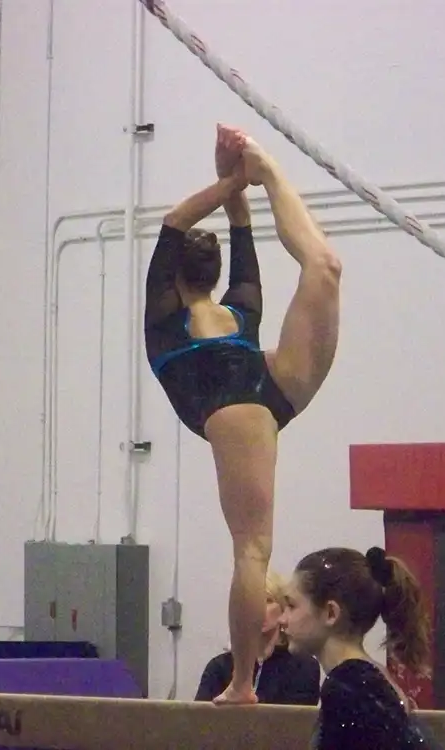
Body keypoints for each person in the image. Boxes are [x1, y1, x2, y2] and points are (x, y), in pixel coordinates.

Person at [144, 124, 342, 705]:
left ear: (173, 276)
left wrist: (236, 179)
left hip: (255, 393)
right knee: (253, 548)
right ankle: (241, 683)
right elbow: (202, 224)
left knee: (325, 267)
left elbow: (197, 224)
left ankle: (274, 171)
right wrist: (233, 178)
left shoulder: (197, 314)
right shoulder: (206, 313)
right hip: (233, 404)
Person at [280, 546, 443, 750]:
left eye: (291, 606)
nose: (282, 619)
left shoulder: (348, 687)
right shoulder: (369, 677)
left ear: (331, 613)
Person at [194, 570, 321, 705]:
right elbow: (200, 720)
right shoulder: (220, 667)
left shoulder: (303, 666)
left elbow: (296, 721)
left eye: (268, 601)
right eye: (252, 602)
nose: (259, 609)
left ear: (283, 607)